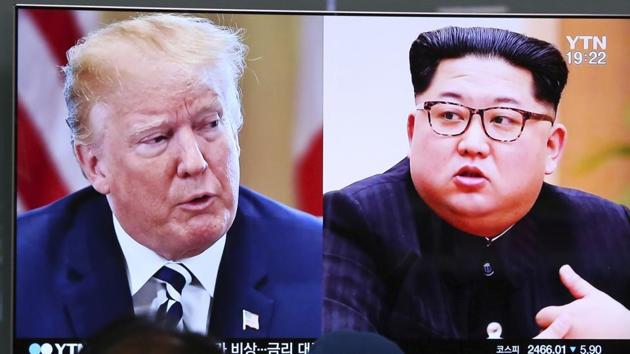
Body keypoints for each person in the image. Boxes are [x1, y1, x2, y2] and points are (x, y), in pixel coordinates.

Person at [17, 13, 321, 340]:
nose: (195, 162)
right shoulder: (20, 265)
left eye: (210, 124)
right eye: (158, 138)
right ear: (94, 165)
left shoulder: (321, 258)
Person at [323, 26, 630, 343]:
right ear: (414, 132)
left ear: (551, 148)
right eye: (450, 115)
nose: (472, 143)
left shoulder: (613, 229)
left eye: (502, 119)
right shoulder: (353, 221)